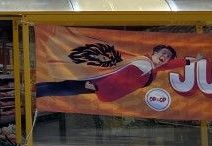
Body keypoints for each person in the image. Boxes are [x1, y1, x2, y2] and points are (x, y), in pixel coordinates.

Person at [35, 44, 191, 103]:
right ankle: (31, 92)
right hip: (98, 85)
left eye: (168, 56)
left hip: (102, 90)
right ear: (154, 52)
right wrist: (97, 84)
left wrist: (190, 61)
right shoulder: (142, 63)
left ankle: (32, 91)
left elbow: (168, 65)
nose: (165, 58)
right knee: (63, 88)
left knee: (64, 88)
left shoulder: (152, 68)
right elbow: (118, 71)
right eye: (163, 53)